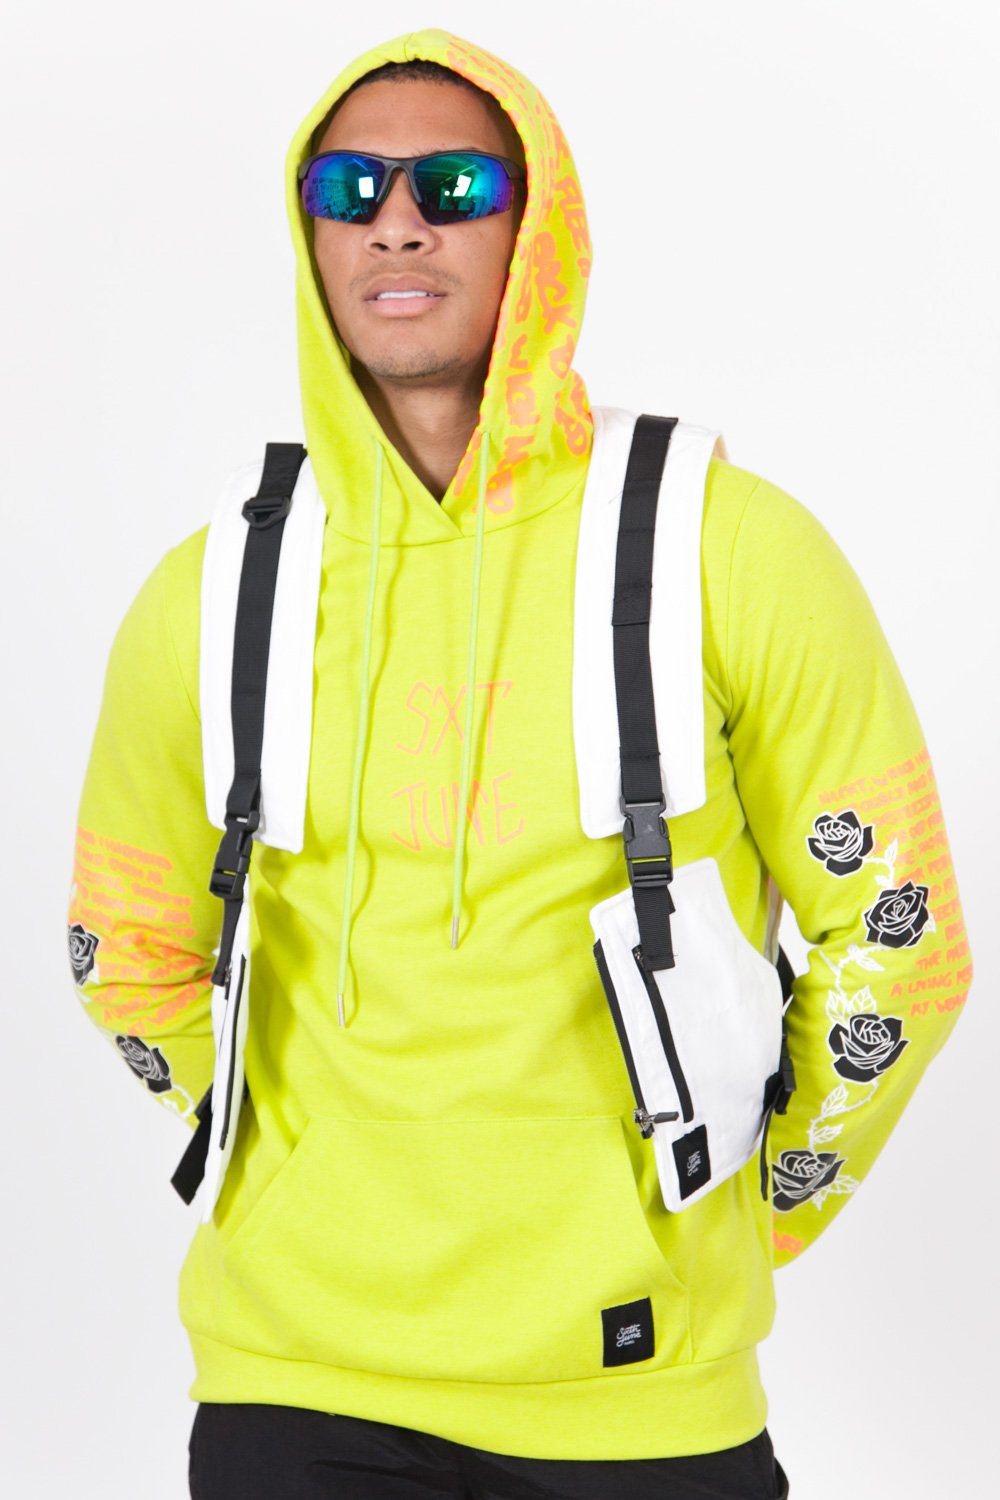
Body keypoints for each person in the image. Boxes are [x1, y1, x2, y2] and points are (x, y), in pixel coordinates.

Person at [66, 26, 973, 1500]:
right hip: (289, 1391)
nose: (395, 222)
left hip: (643, 1407)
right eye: (348, 187)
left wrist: (738, 1209)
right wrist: (288, 1170)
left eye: (453, 185)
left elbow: (900, 939)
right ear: (308, 234)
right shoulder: (218, 590)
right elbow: (123, 947)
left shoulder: (725, 547)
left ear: (537, 223)